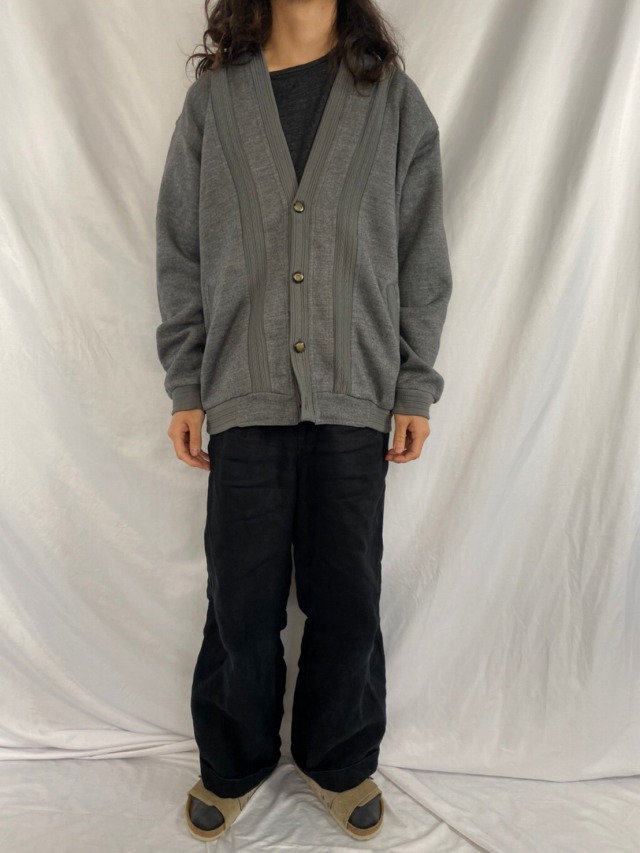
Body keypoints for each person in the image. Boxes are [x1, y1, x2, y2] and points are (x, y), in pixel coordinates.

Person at [154, 0, 453, 842]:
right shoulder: (216, 101)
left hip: (357, 392)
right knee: (240, 597)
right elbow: (181, 248)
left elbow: (421, 251)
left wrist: (413, 386)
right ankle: (234, 759)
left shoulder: (391, 101)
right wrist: (186, 383)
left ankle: (340, 757)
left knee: (347, 593)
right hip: (241, 392)